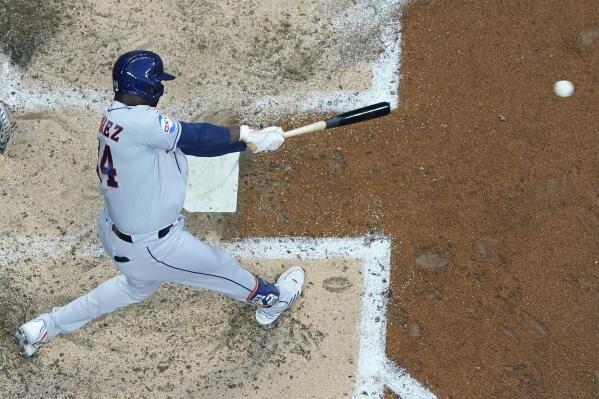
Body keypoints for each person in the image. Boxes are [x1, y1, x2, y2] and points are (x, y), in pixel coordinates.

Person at [15, 50, 305, 357]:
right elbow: (196, 137)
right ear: (150, 87)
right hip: (153, 246)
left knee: (135, 288)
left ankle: (47, 325)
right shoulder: (143, 123)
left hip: (116, 231)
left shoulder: (115, 117)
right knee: (223, 268)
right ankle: (272, 300)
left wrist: (250, 143)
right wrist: (246, 134)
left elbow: (191, 145)